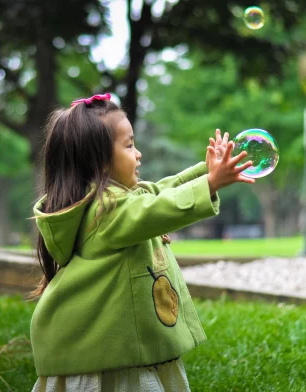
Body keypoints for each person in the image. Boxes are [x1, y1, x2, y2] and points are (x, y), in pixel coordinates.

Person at [29, 93, 254, 392]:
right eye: (129, 145)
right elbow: (159, 207)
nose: (139, 154)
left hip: (118, 349)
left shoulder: (115, 200)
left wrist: (205, 171)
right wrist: (210, 183)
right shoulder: (106, 211)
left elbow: (161, 190)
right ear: (101, 162)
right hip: (109, 361)